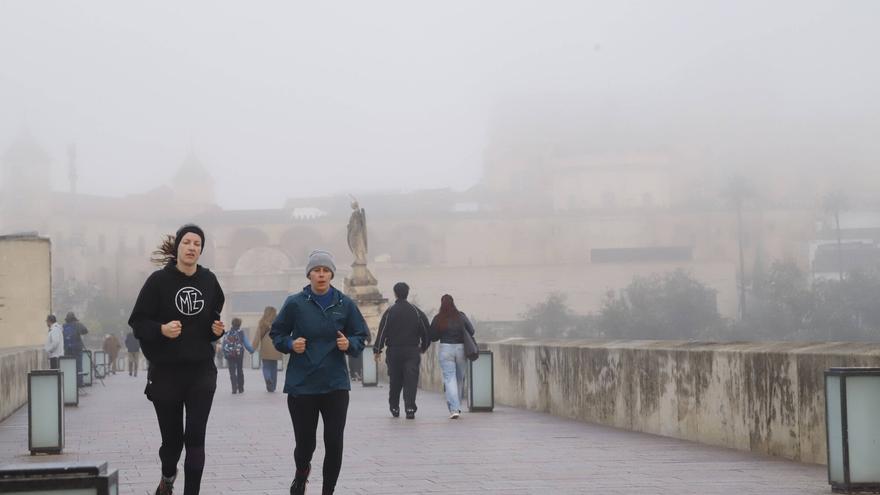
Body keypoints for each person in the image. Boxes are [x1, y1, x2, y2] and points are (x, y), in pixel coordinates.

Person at [128, 224, 225, 495]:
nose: (192, 247)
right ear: (178, 247)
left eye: (197, 244)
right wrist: (160, 329)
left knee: (195, 437)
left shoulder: (209, 281)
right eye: (187, 242)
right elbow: (137, 323)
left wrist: (216, 329)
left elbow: (210, 321)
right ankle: (167, 478)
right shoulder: (158, 282)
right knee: (172, 443)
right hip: (166, 373)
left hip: (200, 372)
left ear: (201, 250)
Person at [270, 250, 369, 495]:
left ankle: (328, 490)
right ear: (309, 274)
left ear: (332, 274)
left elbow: (361, 335)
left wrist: (351, 345)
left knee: (334, 442)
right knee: (306, 444)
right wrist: (291, 344)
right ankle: (301, 472)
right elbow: (277, 333)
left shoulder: (344, 304)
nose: (321, 275)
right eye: (317, 270)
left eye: (326, 270)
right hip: (302, 384)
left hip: (335, 383)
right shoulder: (295, 303)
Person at [373, 282, 430, 419]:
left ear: (395, 293)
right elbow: (426, 330)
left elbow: (382, 331)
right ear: (407, 293)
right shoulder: (416, 311)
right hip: (412, 351)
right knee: (411, 381)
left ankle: (394, 407)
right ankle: (410, 408)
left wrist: (377, 350)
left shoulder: (390, 311)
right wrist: (424, 346)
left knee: (395, 380)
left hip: (394, 352)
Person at [429, 294, 476, 419]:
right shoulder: (461, 316)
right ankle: (456, 407)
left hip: (445, 348)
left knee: (449, 379)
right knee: (460, 379)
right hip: (461, 349)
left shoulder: (438, 318)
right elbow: (472, 331)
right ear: (453, 303)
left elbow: (432, 336)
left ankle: (454, 408)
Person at [251, 306, 281, 392]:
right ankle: (273, 387)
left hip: (265, 348)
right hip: (276, 347)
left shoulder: (262, 323)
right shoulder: (278, 322)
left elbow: (257, 337)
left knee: (266, 366)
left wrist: (253, 348)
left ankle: (268, 379)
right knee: (274, 368)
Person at [222, 318, 254, 394]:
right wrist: (251, 350)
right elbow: (246, 343)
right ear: (240, 324)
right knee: (240, 370)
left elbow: (224, 345)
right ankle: (240, 388)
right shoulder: (241, 333)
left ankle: (234, 388)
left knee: (232, 371)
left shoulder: (227, 333)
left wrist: (225, 353)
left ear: (232, 324)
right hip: (239, 354)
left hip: (230, 355)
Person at [62, 311, 88, 386]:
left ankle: (69, 382)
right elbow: (85, 331)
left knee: (68, 366)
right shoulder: (78, 324)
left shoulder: (64, 326)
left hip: (67, 349)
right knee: (78, 365)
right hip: (77, 348)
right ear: (74, 318)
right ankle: (79, 382)